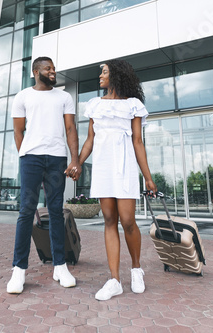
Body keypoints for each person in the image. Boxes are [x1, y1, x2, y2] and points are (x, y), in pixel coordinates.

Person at [73, 59, 157, 301]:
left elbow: (138, 142)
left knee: (128, 221)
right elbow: (90, 139)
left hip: (125, 166)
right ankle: (114, 280)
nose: (100, 76)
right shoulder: (95, 105)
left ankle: (136, 269)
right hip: (103, 166)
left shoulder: (133, 105)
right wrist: (78, 162)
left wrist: (148, 178)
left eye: (105, 72)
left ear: (117, 76)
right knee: (109, 219)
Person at [7, 56, 81, 294]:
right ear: (35, 71)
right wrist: (26, 155)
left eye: (53, 68)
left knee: (56, 211)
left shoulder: (64, 97)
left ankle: (60, 266)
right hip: (31, 159)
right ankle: (18, 270)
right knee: (27, 211)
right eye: (48, 68)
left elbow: (70, 128)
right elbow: (18, 132)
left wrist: (75, 160)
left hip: (57, 158)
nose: (52, 71)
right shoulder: (23, 96)